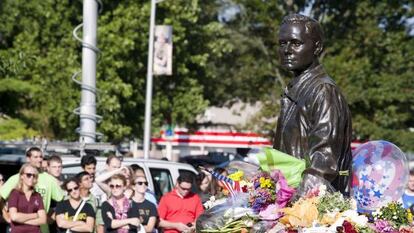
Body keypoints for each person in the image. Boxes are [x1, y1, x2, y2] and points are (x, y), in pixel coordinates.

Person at [273, 14, 352, 195]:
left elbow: (323, 162)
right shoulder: (295, 90)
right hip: (286, 197)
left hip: (312, 207)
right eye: (282, 43)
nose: (287, 50)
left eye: (295, 43)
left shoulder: (323, 91)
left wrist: (294, 201)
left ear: (317, 47)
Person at [0, 147, 65, 233]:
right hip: (17, 228)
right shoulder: (16, 178)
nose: (39, 159)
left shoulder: (49, 179)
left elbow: (62, 201)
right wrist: (6, 216)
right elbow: (1, 197)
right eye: (36, 157)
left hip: (41, 229)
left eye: (41, 157)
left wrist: (52, 217)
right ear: (28, 158)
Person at [8, 163, 47, 233]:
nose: (31, 177)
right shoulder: (14, 193)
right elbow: (14, 217)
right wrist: (35, 215)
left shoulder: (37, 195)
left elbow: (43, 220)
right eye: (28, 175)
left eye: (34, 175)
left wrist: (22, 220)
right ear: (22, 176)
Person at [81, 154, 105, 233]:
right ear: (82, 168)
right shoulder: (77, 185)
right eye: (89, 168)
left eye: (93, 168)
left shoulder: (100, 184)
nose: (91, 171)